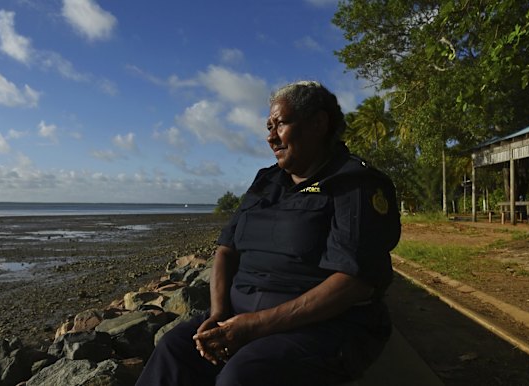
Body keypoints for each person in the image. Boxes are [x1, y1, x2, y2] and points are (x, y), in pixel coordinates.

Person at [136, 81, 401, 386]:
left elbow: (354, 283)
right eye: (268, 126)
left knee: (241, 376)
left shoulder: (355, 184)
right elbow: (226, 249)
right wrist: (219, 312)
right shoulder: (266, 181)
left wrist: (256, 325)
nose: (270, 136)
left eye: (281, 123)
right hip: (239, 317)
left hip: (323, 328)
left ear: (318, 123)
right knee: (174, 349)